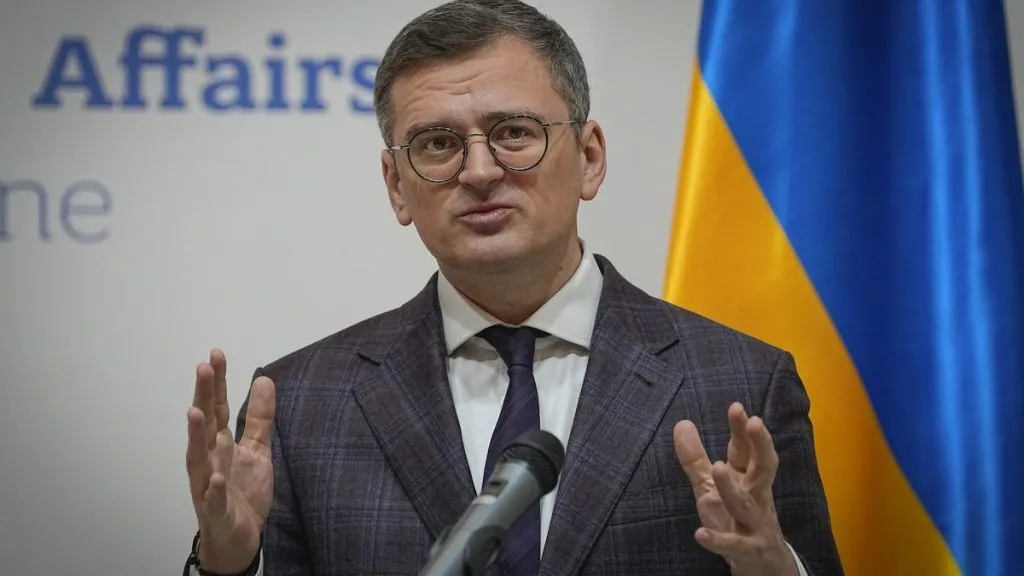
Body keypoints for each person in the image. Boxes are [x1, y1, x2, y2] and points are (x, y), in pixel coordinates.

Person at [183, 0, 844, 574]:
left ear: (589, 157)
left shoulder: (740, 384)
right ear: (396, 185)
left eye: (514, 133)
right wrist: (228, 564)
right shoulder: (302, 407)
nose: (478, 171)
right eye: (437, 143)